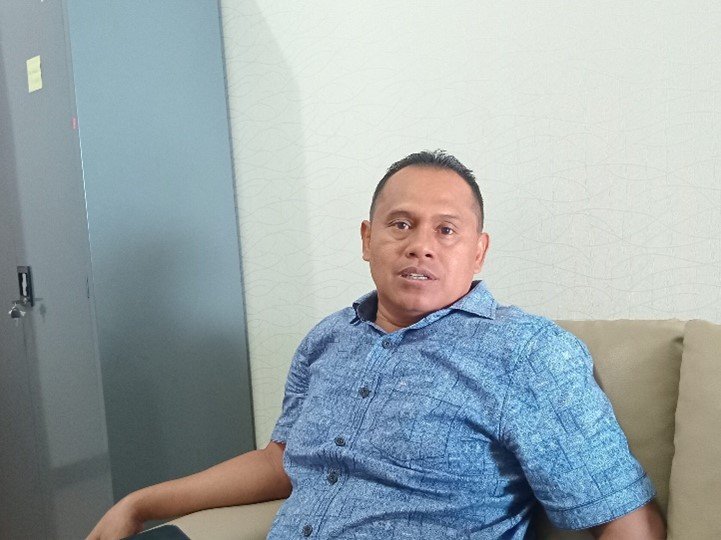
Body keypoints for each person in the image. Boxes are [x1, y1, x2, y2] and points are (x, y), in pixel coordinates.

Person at [88, 150, 665, 539]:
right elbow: (282, 460)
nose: (421, 246)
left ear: (479, 252)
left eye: (446, 230)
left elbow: (624, 518)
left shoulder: (528, 353)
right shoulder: (328, 339)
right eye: (400, 224)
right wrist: (140, 504)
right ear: (368, 240)